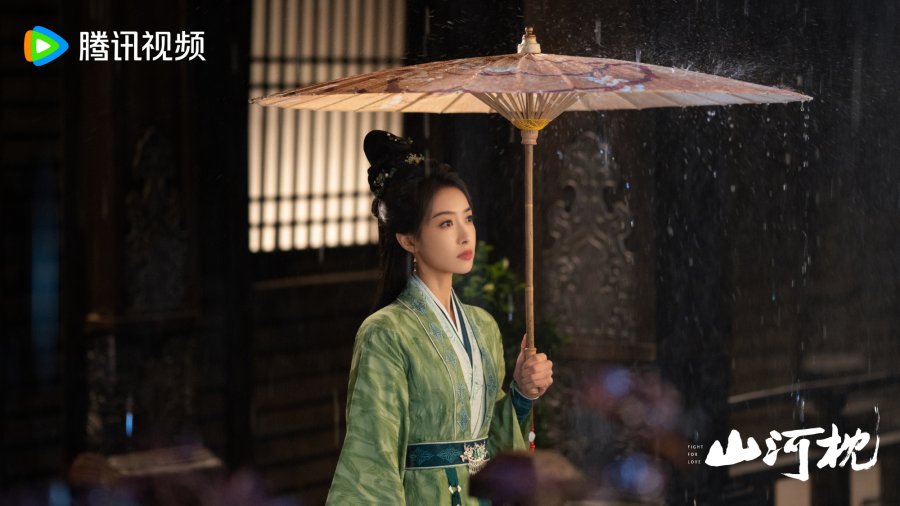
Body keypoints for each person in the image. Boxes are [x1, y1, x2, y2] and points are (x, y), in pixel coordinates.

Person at [325, 131, 554, 505]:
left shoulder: (483, 326)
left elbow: (490, 442)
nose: (465, 235)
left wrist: (522, 393)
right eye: (446, 223)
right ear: (408, 240)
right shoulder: (385, 333)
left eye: (468, 218)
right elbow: (373, 460)